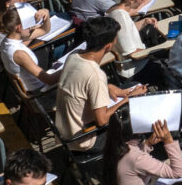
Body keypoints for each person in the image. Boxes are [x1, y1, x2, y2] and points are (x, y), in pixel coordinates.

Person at [56, 17, 141, 152]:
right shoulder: (96, 75)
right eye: (115, 39)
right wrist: (129, 99)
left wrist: (107, 87)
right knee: (138, 110)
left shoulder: (74, 56)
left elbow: (80, 84)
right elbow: (102, 121)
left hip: (65, 131)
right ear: (108, 46)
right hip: (86, 139)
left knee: (133, 85)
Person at [108, 0, 159, 82]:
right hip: (134, 69)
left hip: (135, 61)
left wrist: (144, 22)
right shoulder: (121, 18)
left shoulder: (115, 9)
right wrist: (152, 52)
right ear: (132, 0)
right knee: (168, 64)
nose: (143, 1)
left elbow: (127, 32)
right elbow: (131, 53)